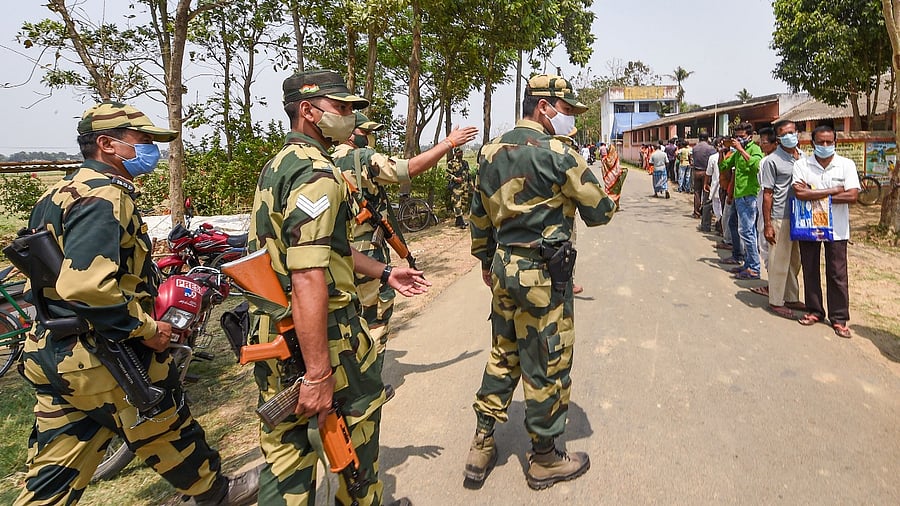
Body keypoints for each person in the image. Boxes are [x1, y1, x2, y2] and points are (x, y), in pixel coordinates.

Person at [16, 102, 259, 506]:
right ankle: (215, 494)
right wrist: (148, 330)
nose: (150, 149)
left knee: (54, 472)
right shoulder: (105, 197)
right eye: (142, 140)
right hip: (102, 354)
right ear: (107, 145)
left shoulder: (57, 193)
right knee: (163, 418)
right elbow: (88, 286)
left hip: (54, 352)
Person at [248, 69, 429, 505]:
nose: (349, 117)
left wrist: (384, 272)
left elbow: (327, 253)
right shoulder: (318, 175)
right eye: (341, 108)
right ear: (308, 111)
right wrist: (317, 373)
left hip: (280, 333)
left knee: (286, 459)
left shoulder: (278, 166)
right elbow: (308, 275)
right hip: (325, 339)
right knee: (353, 445)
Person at [464, 74, 616, 490]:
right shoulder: (558, 154)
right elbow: (600, 212)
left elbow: (479, 214)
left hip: (503, 270)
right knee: (547, 361)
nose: (569, 120)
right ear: (544, 106)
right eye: (566, 111)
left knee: (502, 353)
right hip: (544, 278)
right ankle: (545, 458)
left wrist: (484, 258)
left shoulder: (489, 151)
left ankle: (481, 445)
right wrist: (609, 184)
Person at [332, 114, 476, 373]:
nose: (371, 137)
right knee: (376, 315)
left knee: (348, 316)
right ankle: (369, 382)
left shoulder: (328, 160)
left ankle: (349, 378)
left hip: (342, 252)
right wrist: (448, 143)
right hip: (368, 252)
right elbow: (408, 169)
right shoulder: (363, 157)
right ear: (354, 133)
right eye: (368, 131)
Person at [792, 125, 860, 338]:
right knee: (810, 269)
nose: (825, 146)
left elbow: (852, 196)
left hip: (837, 229)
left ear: (835, 143)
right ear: (812, 143)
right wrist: (833, 191)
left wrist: (814, 194)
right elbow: (799, 194)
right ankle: (815, 311)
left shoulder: (845, 165)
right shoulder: (802, 165)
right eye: (820, 142)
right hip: (809, 227)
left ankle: (839, 319)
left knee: (838, 273)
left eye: (829, 142)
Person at [759, 120, 805, 318]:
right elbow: (767, 194)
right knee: (779, 259)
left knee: (795, 260)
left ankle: (791, 297)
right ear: (778, 138)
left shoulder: (803, 158)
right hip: (780, 216)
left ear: (798, 133)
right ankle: (776, 300)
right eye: (784, 133)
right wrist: (767, 224)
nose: (789, 136)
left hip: (800, 215)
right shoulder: (772, 161)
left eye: (792, 132)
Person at [718, 122, 763, 279]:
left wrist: (741, 149)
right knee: (734, 225)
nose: (738, 139)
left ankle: (755, 268)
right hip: (738, 194)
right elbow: (724, 166)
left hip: (749, 195)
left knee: (747, 231)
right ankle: (743, 260)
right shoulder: (736, 153)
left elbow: (757, 166)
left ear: (750, 136)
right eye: (736, 136)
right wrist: (721, 152)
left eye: (741, 137)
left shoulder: (754, 149)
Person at [690, 133, 717, 218]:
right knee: (706, 192)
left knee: (697, 193)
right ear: (707, 138)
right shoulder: (711, 148)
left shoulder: (694, 148)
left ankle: (696, 212)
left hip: (696, 171)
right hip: (706, 172)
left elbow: (691, 158)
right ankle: (705, 213)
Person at [447, 147, 474, 228]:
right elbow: (447, 175)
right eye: (458, 152)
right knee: (457, 205)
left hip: (465, 187)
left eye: (461, 152)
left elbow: (469, 174)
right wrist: (455, 179)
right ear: (455, 154)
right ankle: (461, 222)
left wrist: (472, 184)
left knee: (463, 205)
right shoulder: (451, 163)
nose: (460, 154)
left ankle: (458, 221)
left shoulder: (465, 163)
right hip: (456, 188)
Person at [601, 142, 627, 210]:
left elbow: (603, 168)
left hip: (608, 179)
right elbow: (617, 167)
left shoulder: (605, 159)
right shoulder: (615, 157)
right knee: (616, 191)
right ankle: (616, 206)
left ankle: (610, 206)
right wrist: (619, 172)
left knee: (609, 191)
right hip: (615, 177)